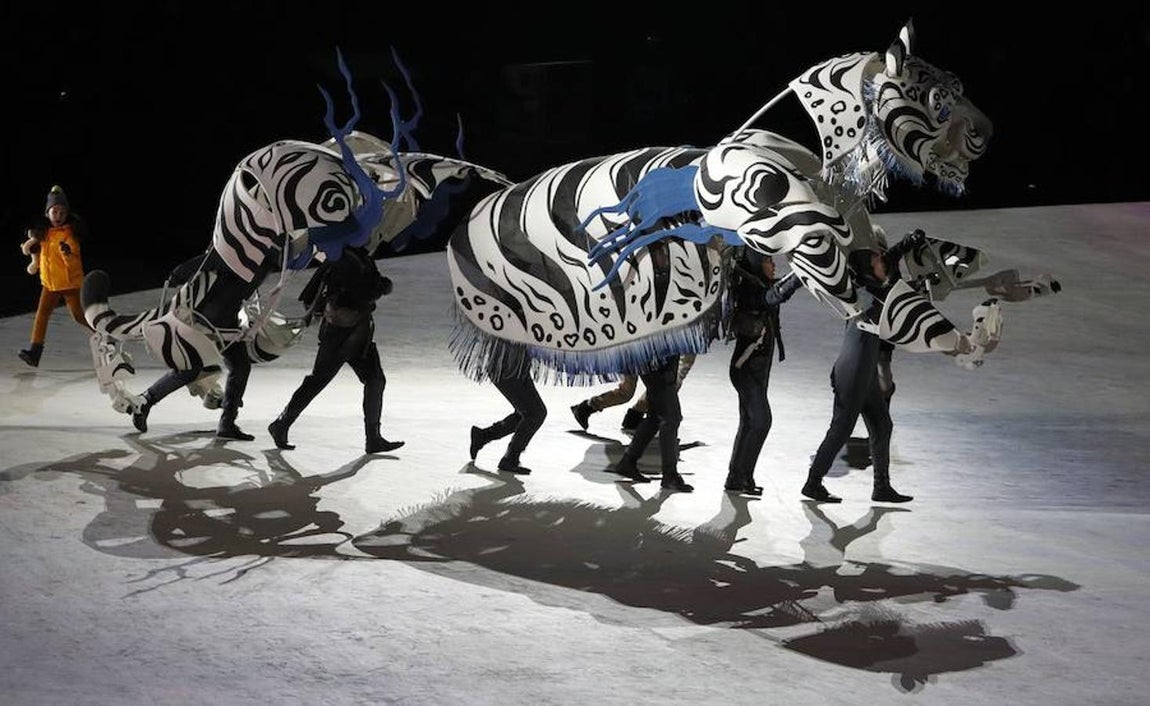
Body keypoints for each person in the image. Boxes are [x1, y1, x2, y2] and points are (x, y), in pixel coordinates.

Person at [801, 231, 927, 504]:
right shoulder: (865, 297)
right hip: (853, 372)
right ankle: (812, 483)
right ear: (868, 271)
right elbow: (890, 300)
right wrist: (915, 285)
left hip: (864, 371)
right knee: (841, 429)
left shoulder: (870, 288)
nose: (885, 265)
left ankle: (881, 487)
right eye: (878, 262)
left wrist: (907, 242)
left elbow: (886, 268)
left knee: (882, 425)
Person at [268, 244, 404, 454]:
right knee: (318, 381)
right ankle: (281, 424)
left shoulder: (350, 255)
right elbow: (363, 292)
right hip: (341, 334)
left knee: (375, 380)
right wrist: (382, 286)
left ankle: (373, 438)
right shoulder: (345, 258)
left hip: (356, 333)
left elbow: (311, 294)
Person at [130, 250, 278, 441]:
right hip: (208, 318)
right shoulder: (243, 250)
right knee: (193, 369)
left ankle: (227, 423)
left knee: (239, 365)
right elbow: (201, 263)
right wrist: (177, 276)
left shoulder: (269, 255)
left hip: (228, 318)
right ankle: (145, 401)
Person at [724, 248, 804, 496]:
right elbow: (772, 296)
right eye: (769, 261)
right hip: (746, 369)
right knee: (761, 421)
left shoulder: (758, 282)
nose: (773, 265)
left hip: (757, 368)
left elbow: (774, 292)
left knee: (749, 422)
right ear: (758, 263)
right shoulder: (749, 288)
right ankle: (741, 476)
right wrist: (800, 276)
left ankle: (738, 478)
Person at [18, 185, 93, 367]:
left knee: (79, 316)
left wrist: (67, 253)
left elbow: (74, 259)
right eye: (54, 211)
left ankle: (104, 336)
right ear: (47, 213)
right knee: (42, 315)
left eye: (61, 212)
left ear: (67, 214)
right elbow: (37, 253)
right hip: (50, 284)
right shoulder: (46, 234)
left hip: (69, 284)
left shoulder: (70, 234)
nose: (58, 216)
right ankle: (35, 351)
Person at [570, 355, 696, 432]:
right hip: (635, 339)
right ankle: (586, 407)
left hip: (643, 338)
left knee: (665, 384)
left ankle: (635, 414)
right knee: (627, 391)